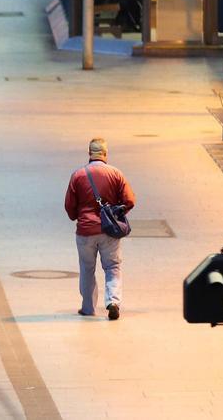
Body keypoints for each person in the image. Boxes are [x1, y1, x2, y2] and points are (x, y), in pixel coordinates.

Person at [64, 137, 137, 320]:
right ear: (105, 154)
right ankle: (112, 301)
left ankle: (88, 308)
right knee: (112, 266)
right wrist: (117, 214)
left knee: (87, 268)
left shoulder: (78, 175)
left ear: (89, 153)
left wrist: (78, 216)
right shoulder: (116, 174)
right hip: (108, 230)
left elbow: (69, 206)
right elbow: (130, 200)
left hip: (85, 231)